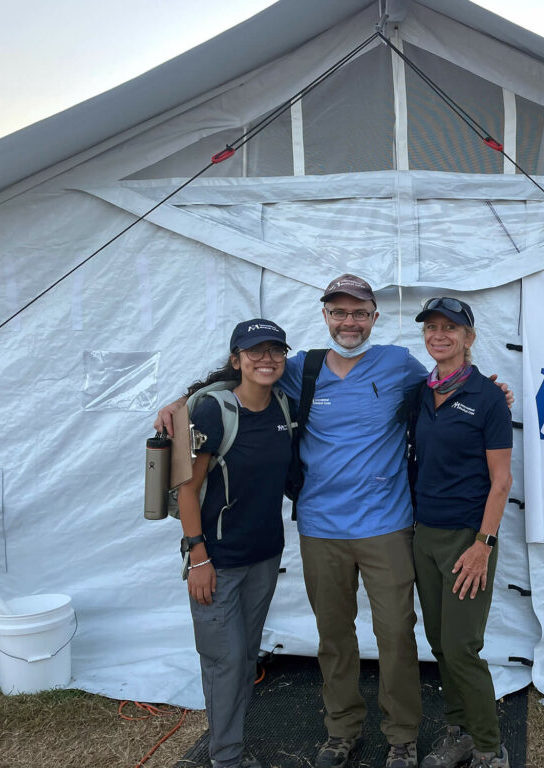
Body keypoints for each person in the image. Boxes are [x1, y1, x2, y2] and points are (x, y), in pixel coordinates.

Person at [156, 275, 512, 768]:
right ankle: (342, 730)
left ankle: (402, 737)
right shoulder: (299, 367)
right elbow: (242, 376)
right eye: (339, 313)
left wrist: (492, 391)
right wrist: (180, 402)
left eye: (359, 313)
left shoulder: (399, 364)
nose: (349, 322)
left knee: (396, 636)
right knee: (335, 638)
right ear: (325, 317)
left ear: (374, 318)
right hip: (321, 529)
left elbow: (449, 386)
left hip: (388, 527)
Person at [179, 319, 293, 768]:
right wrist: (197, 557)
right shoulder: (214, 411)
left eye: (275, 351)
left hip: (265, 555)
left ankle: (231, 742)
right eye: (254, 351)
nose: (266, 359)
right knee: (224, 661)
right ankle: (226, 759)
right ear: (235, 360)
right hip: (217, 561)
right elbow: (187, 488)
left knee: (244, 658)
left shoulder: (284, 405)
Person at [404, 298, 513, 768]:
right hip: (423, 534)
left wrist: (482, 546)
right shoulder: (419, 393)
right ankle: (459, 732)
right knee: (440, 643)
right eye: (431, 327)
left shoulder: (487, 398)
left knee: (464, 648)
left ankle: (490, 747)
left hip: (467, 538)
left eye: (451, 327)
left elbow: (502, 480)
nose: (439, 335)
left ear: (469, 337)